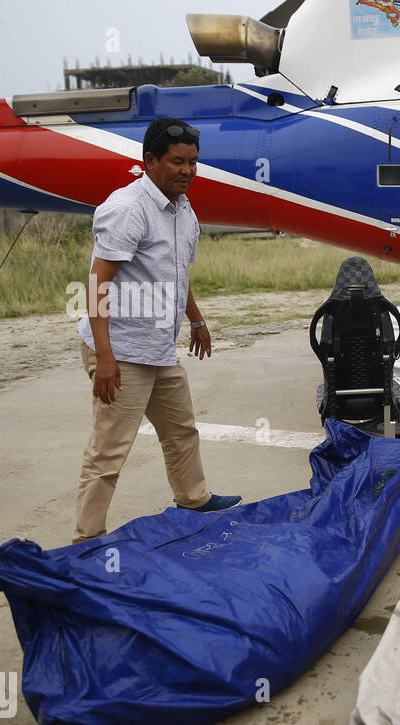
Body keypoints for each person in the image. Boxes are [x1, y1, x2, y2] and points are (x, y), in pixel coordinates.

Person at [73, 117, 240, 543]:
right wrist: (106, 359)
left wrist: (196, 319)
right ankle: (87, 539)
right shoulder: (127, 209)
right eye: (177, 162)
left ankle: (194, 498)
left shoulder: (184, 209)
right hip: (122, 350)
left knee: (181, 429)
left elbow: (174, 273)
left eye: (193, 162)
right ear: (149, 161)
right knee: (110, 451)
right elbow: (96, 286)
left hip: (158, 348)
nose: (187, 170)